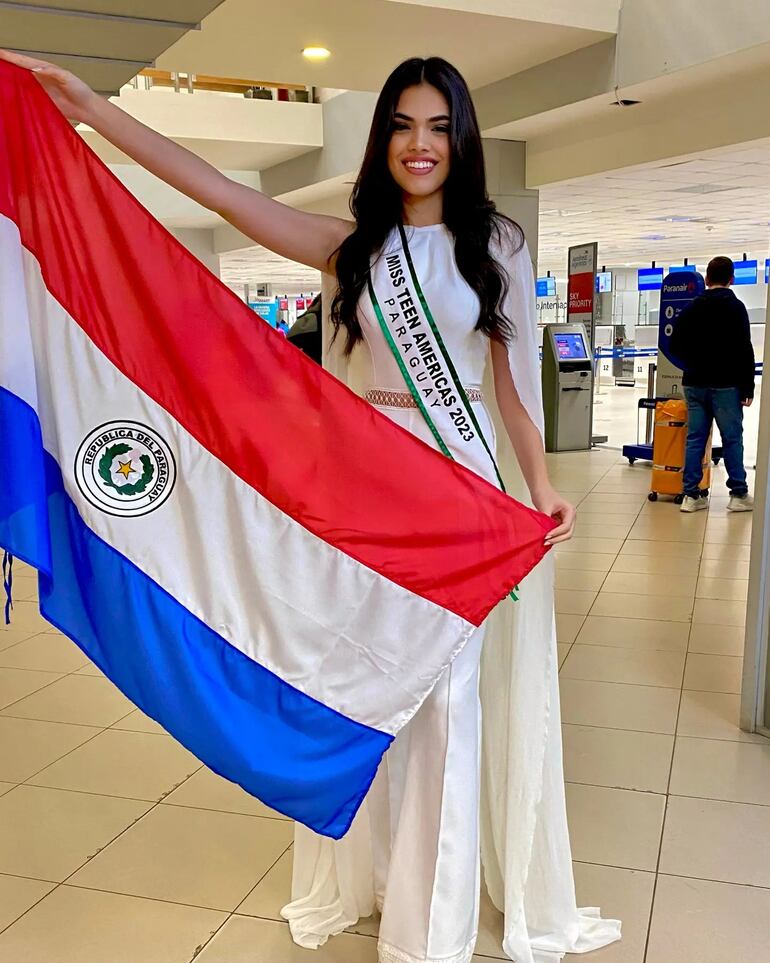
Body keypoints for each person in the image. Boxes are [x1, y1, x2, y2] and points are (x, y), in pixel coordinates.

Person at [0, 49, 621, 963]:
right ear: (381, 141)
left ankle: (429, 933)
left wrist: (540, 486)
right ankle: (373, 877)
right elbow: (219, 195)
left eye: (439, 127)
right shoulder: (350, 246)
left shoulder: (498, 247)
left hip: (463, 499)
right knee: (374, 691)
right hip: (372, 498)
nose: (421, 145)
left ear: (463, 141)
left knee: (449, 706)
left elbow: (512, 388)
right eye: (404, 126)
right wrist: (94, 110)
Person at [670, 256, 755, 513]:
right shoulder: (736, 308)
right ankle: (738, 494)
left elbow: (674, 345)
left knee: (695, 439)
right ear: (732, 279)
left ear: (706, 279)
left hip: (695, 383)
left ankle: (691, 496)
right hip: (726, 384)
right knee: (731, 438)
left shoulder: (691, 308)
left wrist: (693, 365)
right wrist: (747, 388)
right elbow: (745, 350)